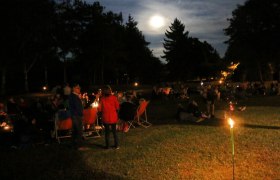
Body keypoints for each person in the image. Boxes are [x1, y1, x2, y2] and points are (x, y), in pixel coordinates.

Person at [98, 85, 120, 149]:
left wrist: (100, 115)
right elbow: (117, 108)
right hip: (113, 117)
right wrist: (116, 114)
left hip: (106, 118)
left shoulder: (102, 99)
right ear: (110, 91)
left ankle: (107, 146)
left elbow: (100, 109)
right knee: (114, 132)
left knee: (107, 132)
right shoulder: (114, 98)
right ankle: (117, 145)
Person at [68, 84, 87, 150]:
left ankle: (73, 145)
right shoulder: (73, 96)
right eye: (77, 88)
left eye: (79, 88)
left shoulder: (75, 96)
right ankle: (79, 146)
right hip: (76, 115)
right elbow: (77, 107)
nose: (79, 89)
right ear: (73, 88)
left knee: (75, 131)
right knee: (79, 131)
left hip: (76, 115)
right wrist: (81, 114)